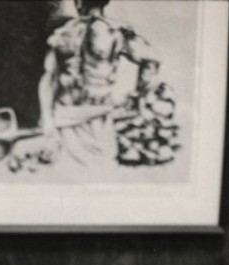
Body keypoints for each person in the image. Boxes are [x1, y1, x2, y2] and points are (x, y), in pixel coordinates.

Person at [10, 0, 162, 173]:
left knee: (74, 172)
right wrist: (139, 96)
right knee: (97, 171)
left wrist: (47, 119)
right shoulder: (116, 32)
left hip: (69, 114)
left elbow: (48, 78)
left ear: (78, 3)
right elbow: (152, 59)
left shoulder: (64, 33)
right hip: (90, 115)